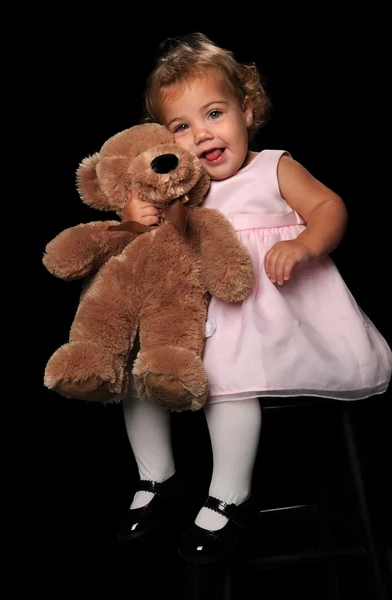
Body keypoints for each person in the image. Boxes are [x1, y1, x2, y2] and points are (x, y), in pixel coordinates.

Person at [116, 32, 392, 563]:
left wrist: (304, 243)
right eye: (182, 126)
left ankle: (229, 496)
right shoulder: (182, 188)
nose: (202, 134)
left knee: (229, 376)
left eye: (214, 114)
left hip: (273, 319)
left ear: (246, 109)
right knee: (137, 366)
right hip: (202, 319)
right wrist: (135, 220)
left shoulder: (273, 167)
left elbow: (330, 207)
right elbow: (158, 250)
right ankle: (158, 478)